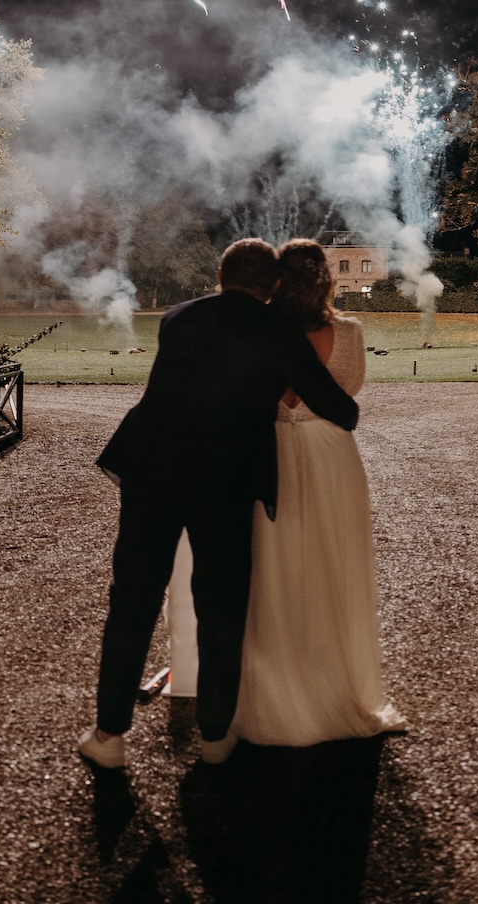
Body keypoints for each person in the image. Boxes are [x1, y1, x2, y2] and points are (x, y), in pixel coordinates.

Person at [78, 238, 360, 770]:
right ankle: (214, 736)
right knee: (221, 605)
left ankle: (108, 736)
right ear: (274, 285)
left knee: (132, 603)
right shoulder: (279, 330)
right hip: (224, 480)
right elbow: (334, 406)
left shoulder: (178, 317)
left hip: (152, 470)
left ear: (219, 274)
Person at [168, 238, 404, 746]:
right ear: (325, 280)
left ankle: (263, 694)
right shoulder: (349, 331)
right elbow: (349, 394)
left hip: (264, 451)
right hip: (330, 454)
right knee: (333, 569)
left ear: (277, 280)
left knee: (263, 572)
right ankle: (335, 687)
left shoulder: (255, 328)